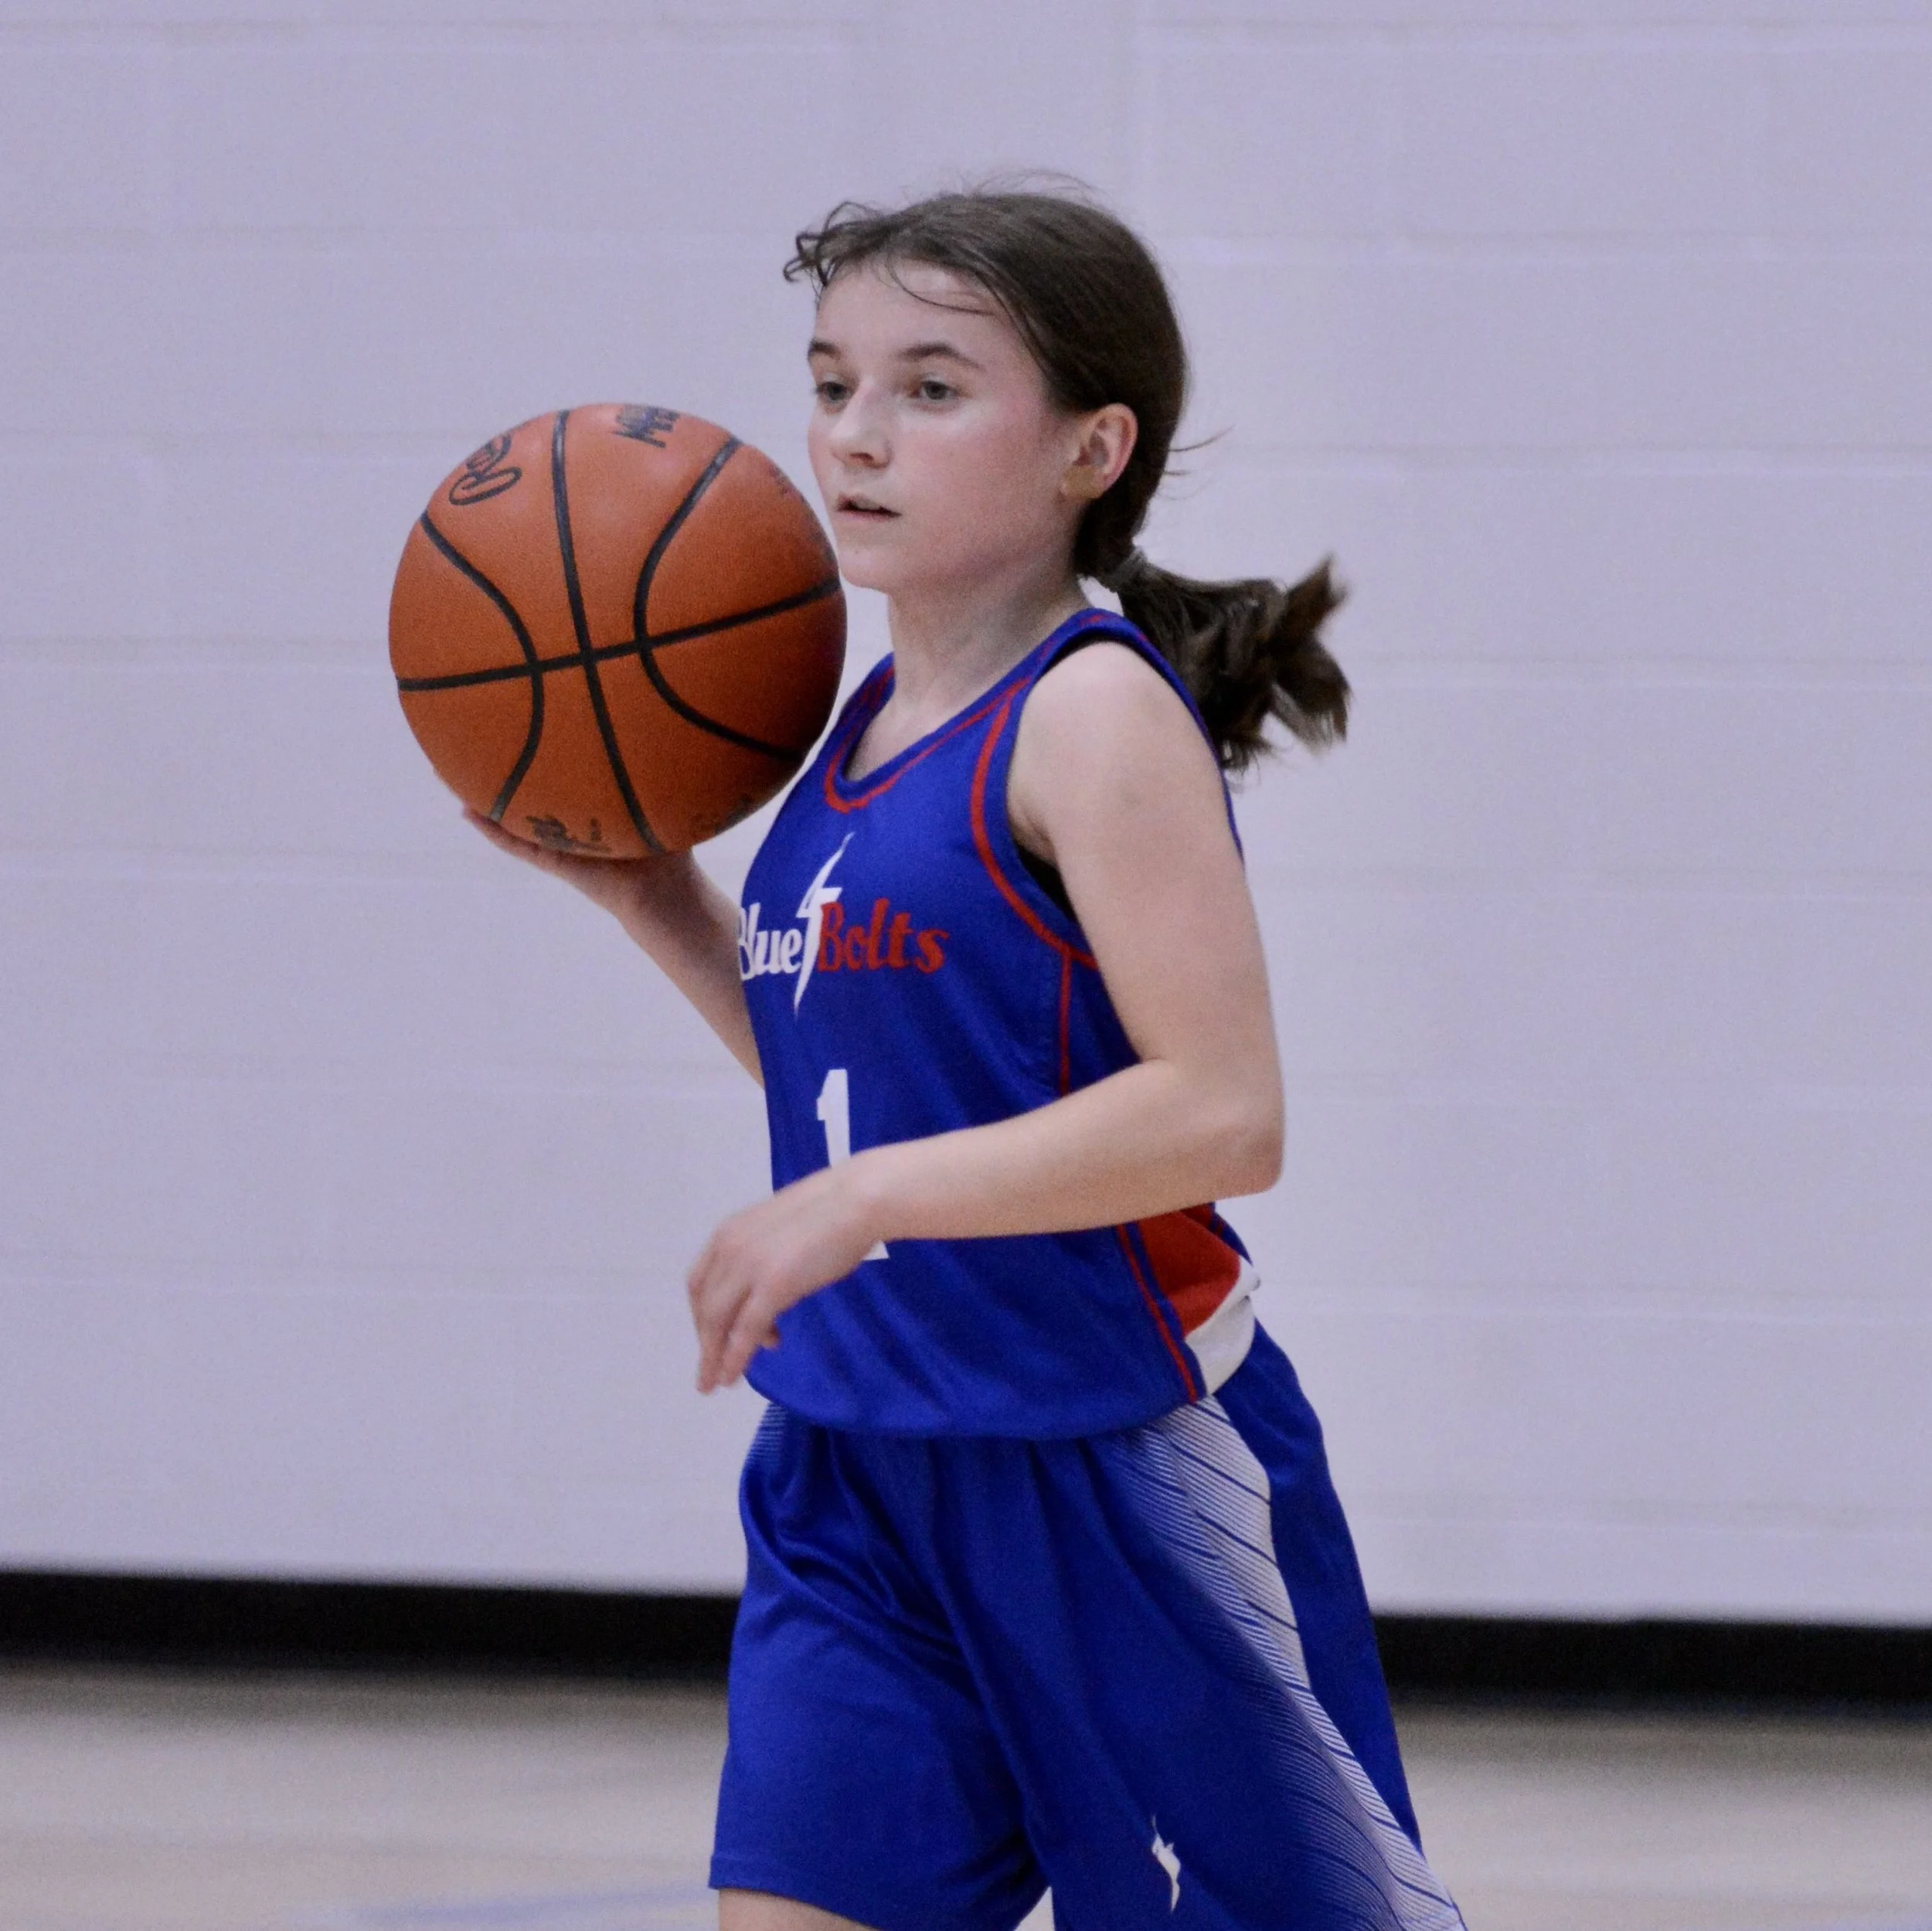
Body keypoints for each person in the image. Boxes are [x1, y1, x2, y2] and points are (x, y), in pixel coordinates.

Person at [468, 187, 1464, 1931]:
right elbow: (860, 1069)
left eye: (930, 389)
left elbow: (1222, 1115)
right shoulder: (859, 726)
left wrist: (860, 1200)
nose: (855, 435)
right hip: (856, 1459)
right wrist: (656, 900)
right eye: (833, 381)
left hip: (1116, 1467)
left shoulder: (1092, 714)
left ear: (1092, 444)